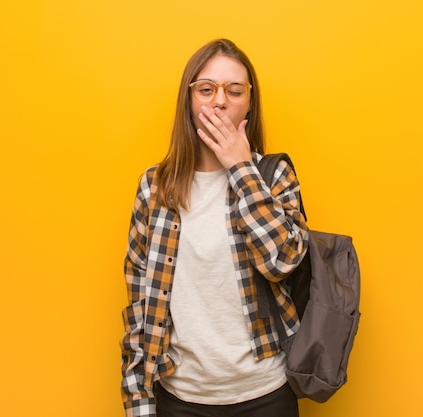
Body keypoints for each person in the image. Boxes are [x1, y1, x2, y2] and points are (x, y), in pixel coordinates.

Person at [120, 38, 309, 417]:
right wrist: (139, 403)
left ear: (249, 103)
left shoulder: (273, 176)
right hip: (180, 399)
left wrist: (241, 168)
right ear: (188, 102)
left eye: (234, 90)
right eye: (206, 89)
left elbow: (282, 262)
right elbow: (140, 305)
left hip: (266, 394)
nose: (219, 101)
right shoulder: (154, 187)